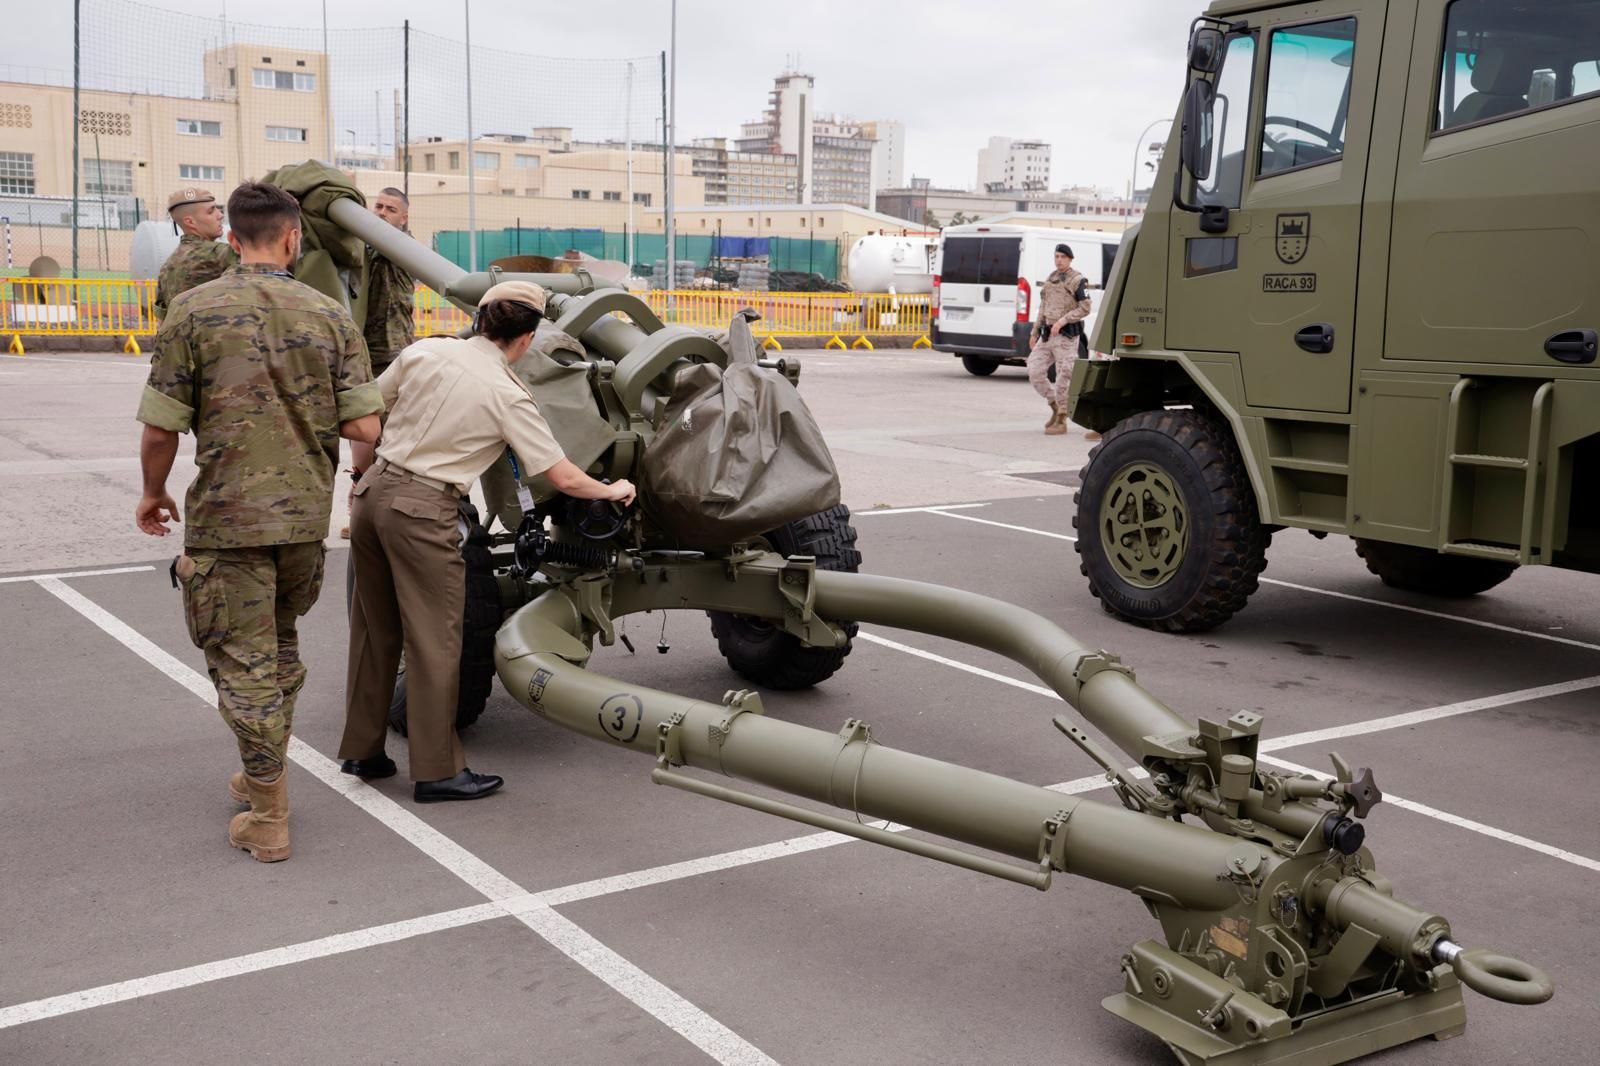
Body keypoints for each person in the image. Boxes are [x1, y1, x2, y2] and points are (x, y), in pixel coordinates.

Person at [135, 182, 383, 863]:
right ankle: (260, 768)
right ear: (294, 238)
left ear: (233, 239)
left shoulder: (194, 309)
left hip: (228, 522)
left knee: (243, 663)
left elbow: (161, 427)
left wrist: (153, 492)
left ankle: (269, 813)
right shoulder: (329, 315)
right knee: (278, 651)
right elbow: (365, 424)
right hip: (303, 520)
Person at [339, 281, 636, 803]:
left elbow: (364, 420)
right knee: (436, 641)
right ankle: (436, 772)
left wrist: (359, 479)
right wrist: (612, 488)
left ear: (479, 321)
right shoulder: (507, 392)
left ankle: (363, 750)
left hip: (372, 495)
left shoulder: (424, 350)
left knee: (375, 629)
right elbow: (562, 477)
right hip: (424, 509)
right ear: (526, 339)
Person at [343, 187, 416, 539]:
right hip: (364, 348)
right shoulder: (369, 245)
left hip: (392, 349)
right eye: (378, 206)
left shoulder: (400, 244)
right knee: (362, 424)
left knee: (388, 431)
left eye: (391, 209)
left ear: (404, 218)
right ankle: (360, 503)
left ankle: (377, 509)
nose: (382, 213)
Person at [1027, 244, 1093, 436]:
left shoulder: (1078, 280)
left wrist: (1063, 321)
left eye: (1063, 257)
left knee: (1064, 375)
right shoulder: (1051, 279)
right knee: (1035, 371)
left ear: (1070, 259)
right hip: (1047, 335)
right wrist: (1034, 332)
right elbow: (1043, 307)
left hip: (1066, 337)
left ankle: (1062, 418)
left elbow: (1085, 308)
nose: (1059, 260)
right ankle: (1054, 404)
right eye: (1056, 256)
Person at [154, 188, 237, 318]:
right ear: (190, 222)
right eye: (211, 211)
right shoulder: (221, 254)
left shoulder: (168, 265)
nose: (220, 215)